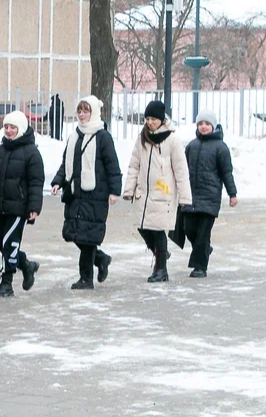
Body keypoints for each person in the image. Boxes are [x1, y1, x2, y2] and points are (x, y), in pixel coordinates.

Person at [50, 95, 121, 289]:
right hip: (75, 193)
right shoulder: (75, 136)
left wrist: (114, 191)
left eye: (86, 111)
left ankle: (86, 279)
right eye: (79, 111)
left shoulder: (103, 136)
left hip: (95, 195)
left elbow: (112, 165)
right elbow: (66, 163)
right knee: (73, 233)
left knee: (87, 237)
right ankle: (101, 259)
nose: (82, 115)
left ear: (94, 113)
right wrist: (57, 181)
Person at [121, 100, 192, 283]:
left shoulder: (172, 141)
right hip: (144, 195)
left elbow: (181, 170)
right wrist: (129, 189)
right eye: (147, 119)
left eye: (153, 119)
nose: (150, 122)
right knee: (143, 227)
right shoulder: (142, 138)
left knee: (159, 231)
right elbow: (134, 165)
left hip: (163, 194)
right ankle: (160, 254)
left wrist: (185, 197)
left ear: (161, 119)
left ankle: (161, 270)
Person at [0, 110, 45, 298]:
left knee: (10, 242)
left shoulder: (31, 153)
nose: (8, 131)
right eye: (6, 127)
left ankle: (7, 282)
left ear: (21, 129)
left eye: (12, 127)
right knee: (1, 242)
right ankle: (26, 264)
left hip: (18, 208)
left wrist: (33, 207)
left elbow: (36, 182)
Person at [182, 110, 238, 277]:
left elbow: (227, 173)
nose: (203, 127)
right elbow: (182, 171)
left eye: (207, 124)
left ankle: (200, 267)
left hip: (210, 197)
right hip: (190, 197)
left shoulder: (221, 147)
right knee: (189, 229)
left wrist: (232, 194)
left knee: (203, 233)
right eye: (200, 124)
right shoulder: (191, 146)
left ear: (213, 126)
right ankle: (205, 249)